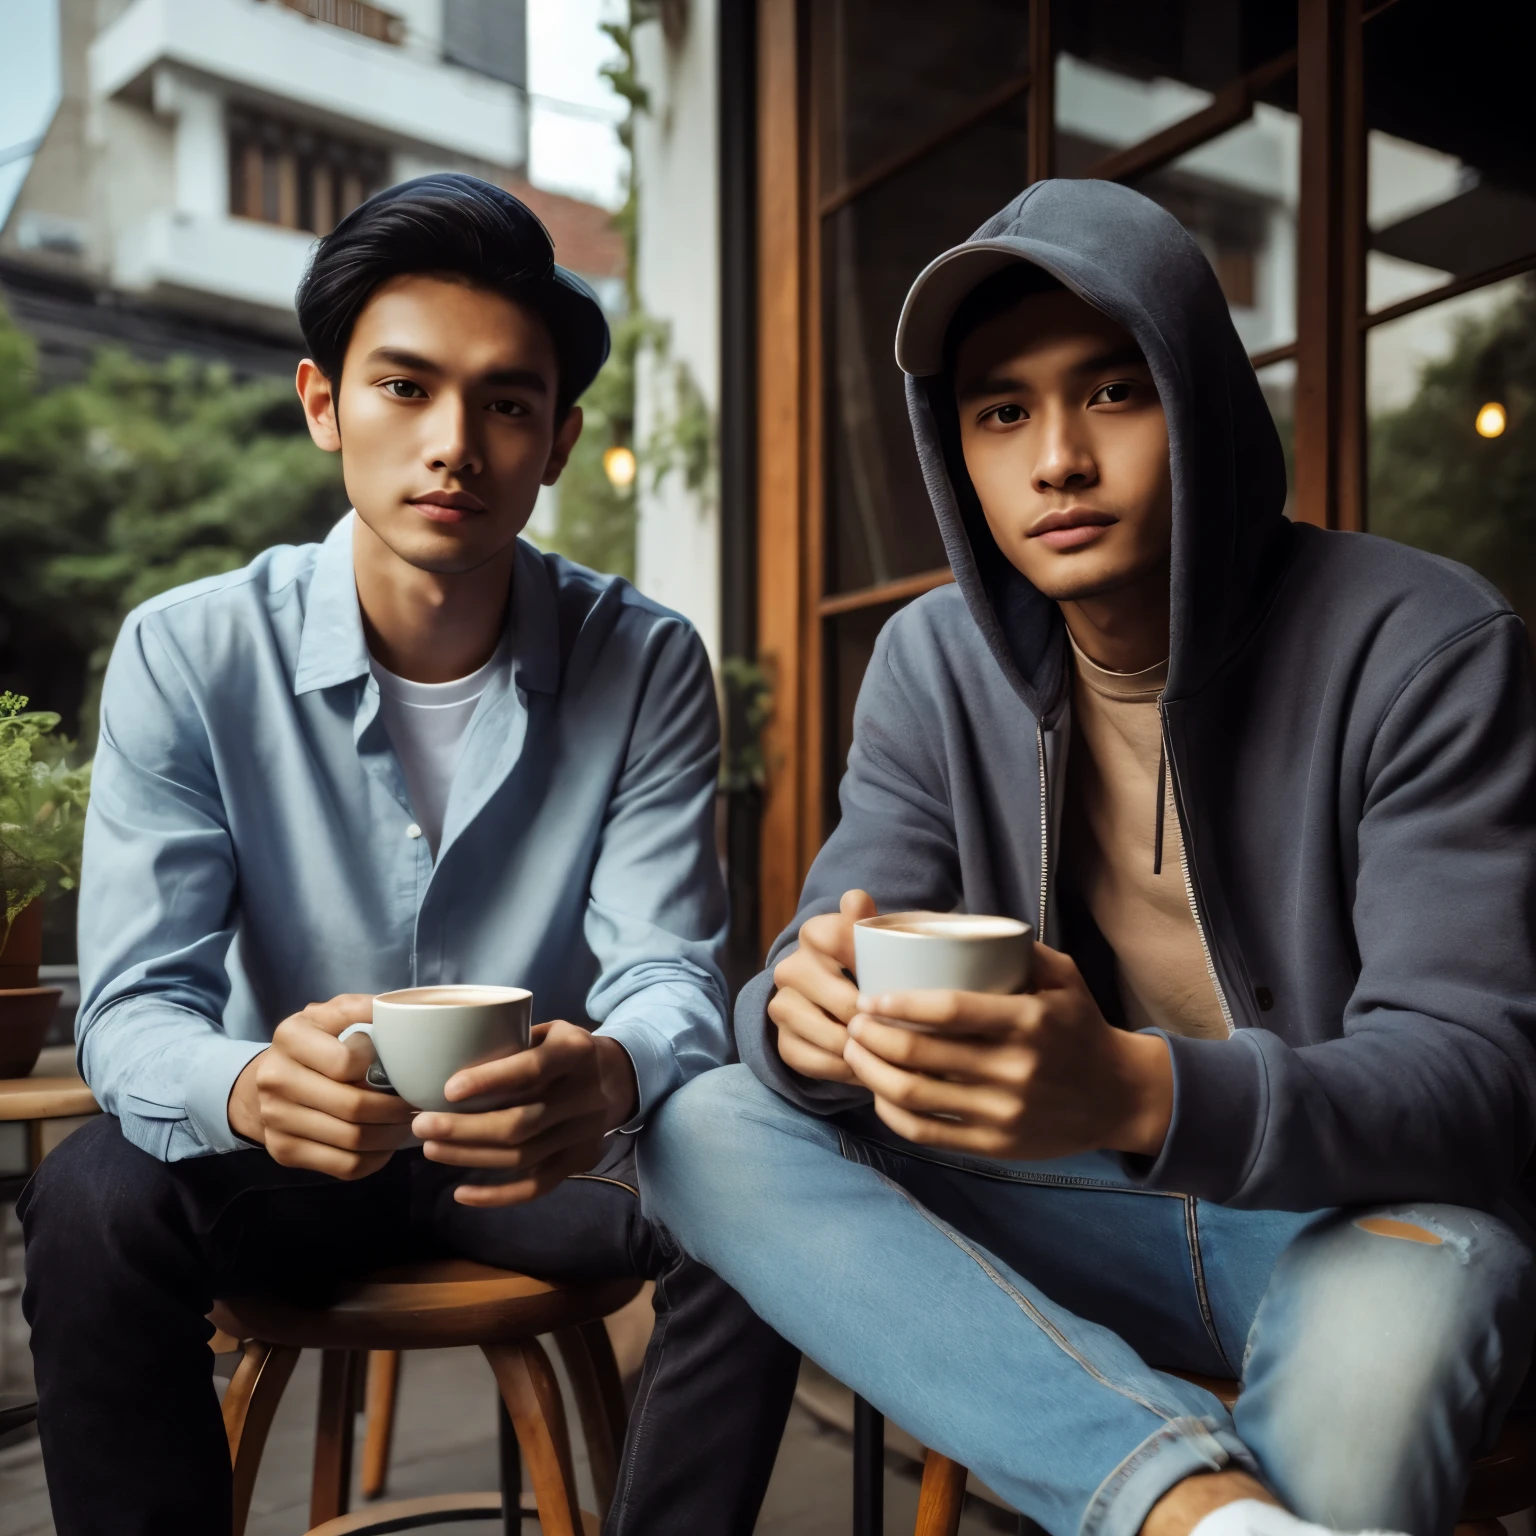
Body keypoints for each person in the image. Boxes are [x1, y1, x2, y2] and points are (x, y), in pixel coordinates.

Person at [640, 178, 1536, 1536]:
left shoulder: (1424, 643)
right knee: (707, 1120)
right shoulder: (933, 666)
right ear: (958, 453)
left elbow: (1473, 1080)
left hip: (1363, 1219)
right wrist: (799, 1014)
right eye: (1002, 412)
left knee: (1386, 1348)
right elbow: (832, 939)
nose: (1056, 458)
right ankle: (1193, 1511)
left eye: (1115, 392)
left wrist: (1132, 1088)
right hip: (1089, 1201)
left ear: (1205, 406)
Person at [20, 174, 798, 1536]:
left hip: (547, 1162)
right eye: (404, 389)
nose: (456, 444)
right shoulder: (190, 651)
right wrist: (254, 1086)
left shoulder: (647, 659)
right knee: (91, 1199)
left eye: (506, 404)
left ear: (556, 442)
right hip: (293, 1165)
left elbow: (669, 967)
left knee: (776, 1176)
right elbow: (135, 1006)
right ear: (324, 403)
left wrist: (610, 1069)